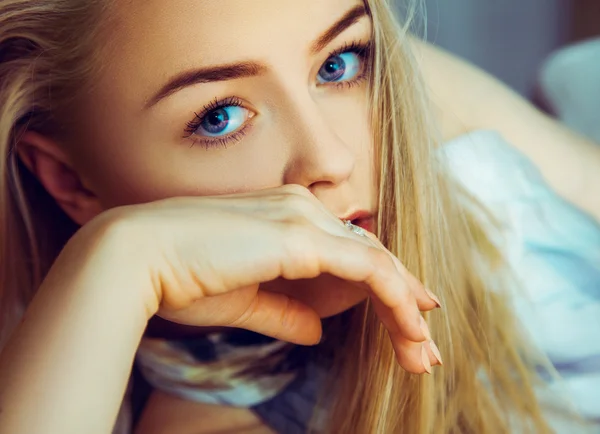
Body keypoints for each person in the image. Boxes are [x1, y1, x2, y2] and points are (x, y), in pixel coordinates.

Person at [0, 1, 598, 433]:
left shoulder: (392, 85)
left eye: (336, 66)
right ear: (69, 180)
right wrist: (119, 261)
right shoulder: (216, 419)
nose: (332, 158)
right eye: (219, 117)